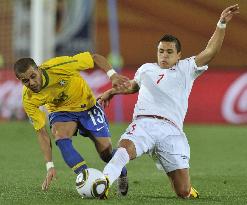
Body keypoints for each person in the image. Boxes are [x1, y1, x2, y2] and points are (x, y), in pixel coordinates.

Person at [98, 4, 239, 199]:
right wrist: (110, 92)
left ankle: (187, 188)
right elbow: (132, 86)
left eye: (169, 52)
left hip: (171, 130)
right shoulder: (146, 69)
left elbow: (210, 51)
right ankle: (103, 183)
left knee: (183, 191)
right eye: (161, 50)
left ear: (178, 55)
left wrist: (221, 23)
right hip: (143, 123)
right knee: (124, 148)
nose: (164, 55)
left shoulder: (186, 68)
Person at [13, 51, 129, 196]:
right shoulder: (28, 98)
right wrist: (50, 165)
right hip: (61, 112)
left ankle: (122, 171)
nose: (32, 83)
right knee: (60, 136)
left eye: (33, 76)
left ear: (39, 70)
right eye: (25, 81)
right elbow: (41, 132)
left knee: (106, 153)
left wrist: (112, 75)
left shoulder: (59, 66)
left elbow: (94, 57)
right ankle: (87, 178)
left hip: (87, 106)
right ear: (20, 81)